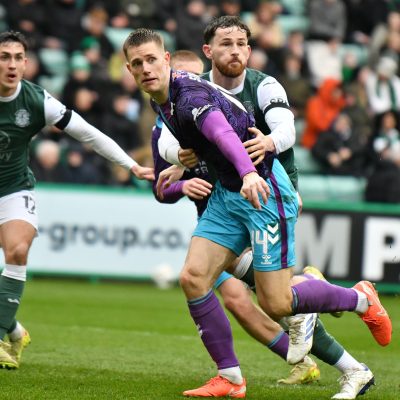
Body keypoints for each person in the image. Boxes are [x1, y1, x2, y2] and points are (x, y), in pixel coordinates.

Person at [123, 28, 391, 398]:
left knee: (275, 302)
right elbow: (180, 158)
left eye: (152, 59)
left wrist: (248, 173)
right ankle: (231, 378)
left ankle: (359, 298)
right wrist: (180, 171)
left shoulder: (190, 97)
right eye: (137, 63)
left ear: (166, 60)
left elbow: (222, 134)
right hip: (227, 196)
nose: (146, 68)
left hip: (263, 190)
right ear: (129, 70)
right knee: (193, 278)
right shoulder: (162, 101)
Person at [0, 30, 154, 370]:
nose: (11, 65)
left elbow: (88, 133)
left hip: (13, 189)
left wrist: (130, 165)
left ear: (26, 64)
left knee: (18, 249)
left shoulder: (37, 101)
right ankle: (14, 331)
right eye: (4, 57)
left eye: (17, 58)